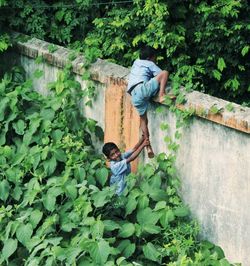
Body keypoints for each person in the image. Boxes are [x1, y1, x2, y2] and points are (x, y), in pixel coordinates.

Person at [127, 46, 171, 158]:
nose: (155, 61)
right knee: (165, 73)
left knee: (143, 121)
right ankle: (162, 95)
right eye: (154, 58)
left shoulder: (136, 62)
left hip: (134, 95)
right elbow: (160, 75)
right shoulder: (149, 64)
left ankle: (148, 146)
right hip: (142, 89)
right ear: (149, 58)